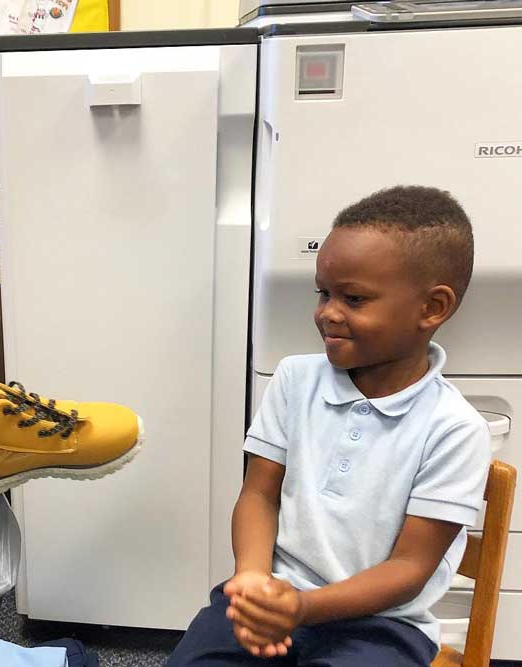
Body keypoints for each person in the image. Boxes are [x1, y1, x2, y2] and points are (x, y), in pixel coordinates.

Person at [166, 185, 491, 667]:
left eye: (354, 298)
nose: (327, 313)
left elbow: (410, 567)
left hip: (383, 627)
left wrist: (303, 609)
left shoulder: (455, 429)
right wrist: (254, 580)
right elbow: (258, 494)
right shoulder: (295, 379)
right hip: (277, 594)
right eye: (323, 293)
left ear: (432, 308)